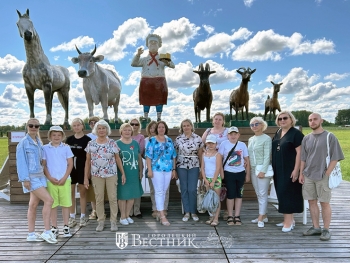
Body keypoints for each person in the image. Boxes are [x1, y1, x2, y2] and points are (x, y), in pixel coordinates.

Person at [299, 113, 344, 241]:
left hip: (323, 175)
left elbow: (335, 157)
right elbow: (303, 158)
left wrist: (327, 173)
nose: (312, 122)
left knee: (324, 203)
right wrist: (302, 173)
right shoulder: (306, 138)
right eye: (310, 120)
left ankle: (326, 229)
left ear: (321, 120)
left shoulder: (330, 136)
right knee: (311, 201)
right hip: (308, 175)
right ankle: (315, 227)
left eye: (314, 119)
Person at [16, 118, 57, 244]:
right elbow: (21, 162)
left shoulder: (38, 141)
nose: (34, 127)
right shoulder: (23, 143)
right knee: (49, 200)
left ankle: (31, 234)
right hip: (31, 178)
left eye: (36, 126)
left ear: (39, 127)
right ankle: (47, 231)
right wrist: (25, 179)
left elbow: (40, 158)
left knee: (33, 205)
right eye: (31, 125)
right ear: (27, 126)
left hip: (40, 176)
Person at [84, 120, 125, 232]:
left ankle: (113, 221)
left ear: (107, 130)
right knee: (99, 199)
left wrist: (123, 173)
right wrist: (85, 178)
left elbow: (118, 159)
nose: (101, 130)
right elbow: (87, 162)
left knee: (112, 198)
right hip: (96, 175)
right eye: (99, 128)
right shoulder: (91, 144)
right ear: (96, 130)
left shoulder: (112, 143)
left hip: (111, 174)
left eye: (103, 128)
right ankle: (101, 221)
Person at [272, 111, 304, 232]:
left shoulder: (296, 134)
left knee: (287, 193)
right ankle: (289, 219)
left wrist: (296, 170)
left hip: (290, 168)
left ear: (291, 119)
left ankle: (288, 222)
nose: (282, 120)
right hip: (278, 168)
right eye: (280, 119)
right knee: (281, 192)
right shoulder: (278, 132)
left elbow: (300, 153)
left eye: (285, 118)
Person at [131, 33, 175, 121]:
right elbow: (133, 64)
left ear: (159, 45)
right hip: (146, 82)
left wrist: (167, 62)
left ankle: (159, 116)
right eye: (151, 42)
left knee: (159, 99)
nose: (153, 44)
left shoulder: (163, 58)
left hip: (159, 82)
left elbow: (172, 65)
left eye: (155, 42)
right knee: (146, 99)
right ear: (147, 45)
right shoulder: (144, 60)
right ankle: (145, 116)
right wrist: (138, 55)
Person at [42, 126, 74, 238]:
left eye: (59, 135)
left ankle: (66, 226)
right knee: (53, 205)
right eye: (54, 135)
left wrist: (65, 177)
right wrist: (50, 178)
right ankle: (54, 227)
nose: (56, 137)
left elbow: (70, 163)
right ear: (50, 136)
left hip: (65, 180)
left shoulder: (66, 148)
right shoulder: (45, 148)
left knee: (66, 204)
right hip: (51, 181)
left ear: (62, 136)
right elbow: (44, 165)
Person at [145, 121, 177, 226]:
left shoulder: (169, 140)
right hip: (156, 169)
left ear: (165, 128)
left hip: (167, 170)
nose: (161, 129)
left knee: (163, 191)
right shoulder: (152, 140)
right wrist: (149, 170)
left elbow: (174, 156)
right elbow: (148, 156)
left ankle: (160, 211)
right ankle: (162, 215)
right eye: (159, 127)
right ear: (156, 129)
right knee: (159, 192)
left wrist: (174, 169)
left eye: (163, 127)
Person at [219, 126, 250, 226]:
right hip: (229, 172)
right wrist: (222, 173)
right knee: (230, 195)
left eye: (235, 134)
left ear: (238, 135)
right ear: (227, 135)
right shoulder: (224, 144)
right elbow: (219, 159)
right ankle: (230, 215)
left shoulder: (242, 145)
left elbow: (246, 160)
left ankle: (237, 215)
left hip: (240, 172)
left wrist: (247, 173)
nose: (233, 136)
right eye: (231, 134)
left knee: (239, 194)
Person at [174, 119, 203, 222]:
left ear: (191, 126)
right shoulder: (178, 139)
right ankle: (187, 212)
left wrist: (201, 169)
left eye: (188, 125)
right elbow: (175, 155)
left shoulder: (198, 138)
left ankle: (193, 212)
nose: (186, 127)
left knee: (192, 189)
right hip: (181, 165)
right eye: (184, 126)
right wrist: (174, 169)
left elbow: (200, 154)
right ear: (181, 128)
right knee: (184, 189)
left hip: (194, 165)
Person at [201, 112, 229, 220]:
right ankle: (212, 214)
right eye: (215, 119)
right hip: (210, 161)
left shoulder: (227, 131)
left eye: (220, 119)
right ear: (213, 120)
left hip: (225, 162)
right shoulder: (208, 131)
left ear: (223, 121)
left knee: (225, 188)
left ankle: (226, 212)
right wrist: (206, 152)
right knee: (213, 191)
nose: (217, 121)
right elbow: (202, 144)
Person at [116, 123, 144, 226]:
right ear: (121, 132)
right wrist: (122, 173)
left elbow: (139, 157)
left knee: (132, 194)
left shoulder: (136, 143)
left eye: (129, 130)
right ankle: (122, 216)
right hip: (122, 173)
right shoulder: (117, 143)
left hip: (133, 172)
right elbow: (116, 159)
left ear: (131, 132)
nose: (127, 132)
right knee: (123, 195)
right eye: (125, 130)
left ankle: (127, 215)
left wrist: (140, 171)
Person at [66, 118, 91, 228]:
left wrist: (87, 174)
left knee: (82, 192)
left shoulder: (87, 140)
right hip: (71, 168)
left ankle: (82, 216)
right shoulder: (69, 140)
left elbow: (89, 158)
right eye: (74, 125)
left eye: (78, 125)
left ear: (82, 126)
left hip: (83, 167)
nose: (76, 127)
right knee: (70, 192)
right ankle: (72, 216)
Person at [247, 117, 272, 228]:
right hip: (253, 169)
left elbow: (267, 156)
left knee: (262, 193)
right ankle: (264, 215)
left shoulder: (266, 139)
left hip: (262, 169)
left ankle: (261, 216)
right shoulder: (251, 139)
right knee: (258, 193)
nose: (254, 126)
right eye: (252, 125)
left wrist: (263, 170)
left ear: (262, 125)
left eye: (256, 124)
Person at [201, 134, 222, 226]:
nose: (210, 145)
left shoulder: (218, 155)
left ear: (216, 144)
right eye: (209, 143)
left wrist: (213, 181)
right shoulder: (204, 154)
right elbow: (202, 168)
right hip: (207, 179)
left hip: (216, 179)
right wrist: (205, 179)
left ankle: (216, 218)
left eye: (212, 143)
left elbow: (218, 168)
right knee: (209, 198)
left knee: (216, 199)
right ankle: (211, 216)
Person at [128, 118, 145, 219]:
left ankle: (137, 210)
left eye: (136, 124)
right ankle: (129, 210)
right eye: (132, 124)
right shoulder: (125, 135)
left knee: (137, 187)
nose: (134, 126)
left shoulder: (141, 137)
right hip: (127, 164)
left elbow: (141, 150)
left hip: (137, 162)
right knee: (128, 188)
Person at [86, 116, 99, 220]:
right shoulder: (87, 137)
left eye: (96, 122)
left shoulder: (105, 135)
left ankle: (101, 210)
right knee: (92, 190)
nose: (93, 124)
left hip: (104, 168)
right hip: (91, 167)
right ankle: (94, 210)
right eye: (91, 123)